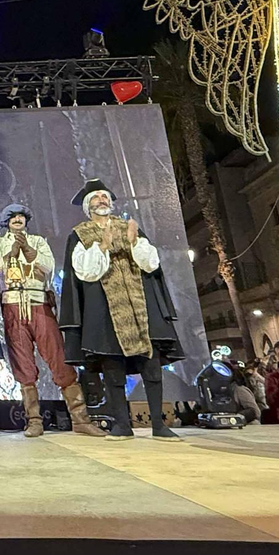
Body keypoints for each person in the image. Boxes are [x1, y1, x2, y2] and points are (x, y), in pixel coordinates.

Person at [58, 179, 185, 440]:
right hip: (104, 308)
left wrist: (134, 241)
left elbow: (151, 264)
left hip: (140, 304)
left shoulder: (129, 227)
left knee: (151, 364)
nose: (102, 200)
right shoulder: (80, 234)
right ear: (88, 206)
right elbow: (84, 273)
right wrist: (103, 246)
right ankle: (122, 424)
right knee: (112, 366)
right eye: (96, 198)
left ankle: (158, 425)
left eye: (105, 196)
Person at [0, 204, 93, 438]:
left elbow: (49, 267)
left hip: (39, 302)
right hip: (13, 305)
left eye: (21, 217)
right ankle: (34, 421)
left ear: (26, 221)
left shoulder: (39, 241)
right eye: (12, 217)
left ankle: (80, 419)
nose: (17, 220)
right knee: (22, 362)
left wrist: (30, 252)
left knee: (58, 356)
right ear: (6, 221)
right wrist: (13, 252)